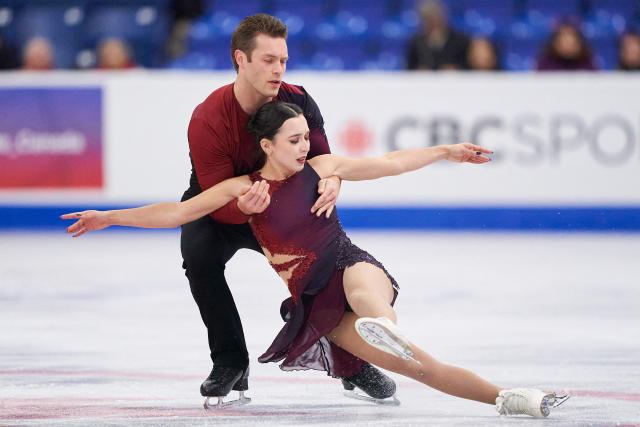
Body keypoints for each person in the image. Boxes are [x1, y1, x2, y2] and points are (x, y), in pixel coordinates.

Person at [62, 101, 567, 418]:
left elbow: (389, 163)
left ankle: (382, 326)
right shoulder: (242, 189)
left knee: (368, 297)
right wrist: (109, 217)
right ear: (266, 145)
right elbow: (175, 212)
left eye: (306, 137)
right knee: (421, 369)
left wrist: (445, 151)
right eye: (294, 140)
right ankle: (509, 397)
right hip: (312, 298)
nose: (306, 147)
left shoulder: (323, 167)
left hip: (347, 263)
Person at [112, 13, 394, 406]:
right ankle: (230, 362)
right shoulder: (209, 117)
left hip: (284, 198)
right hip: (224, 205)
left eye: (283, 60)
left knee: (321, 273)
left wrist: (333, 181)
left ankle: (351, 363)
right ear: (240, 59)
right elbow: (215, 198)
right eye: (268, 60)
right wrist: (245, 208)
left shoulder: (297, 99)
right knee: (199, 259)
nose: (278, 69)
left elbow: (323, 160)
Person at [406, 0, 470, 71]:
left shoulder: (460, 40)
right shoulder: (416, 42)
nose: (434, 24)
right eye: (429, 21)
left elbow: (468, 66)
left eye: (437, 20)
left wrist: (455, 69)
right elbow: (409, 67)